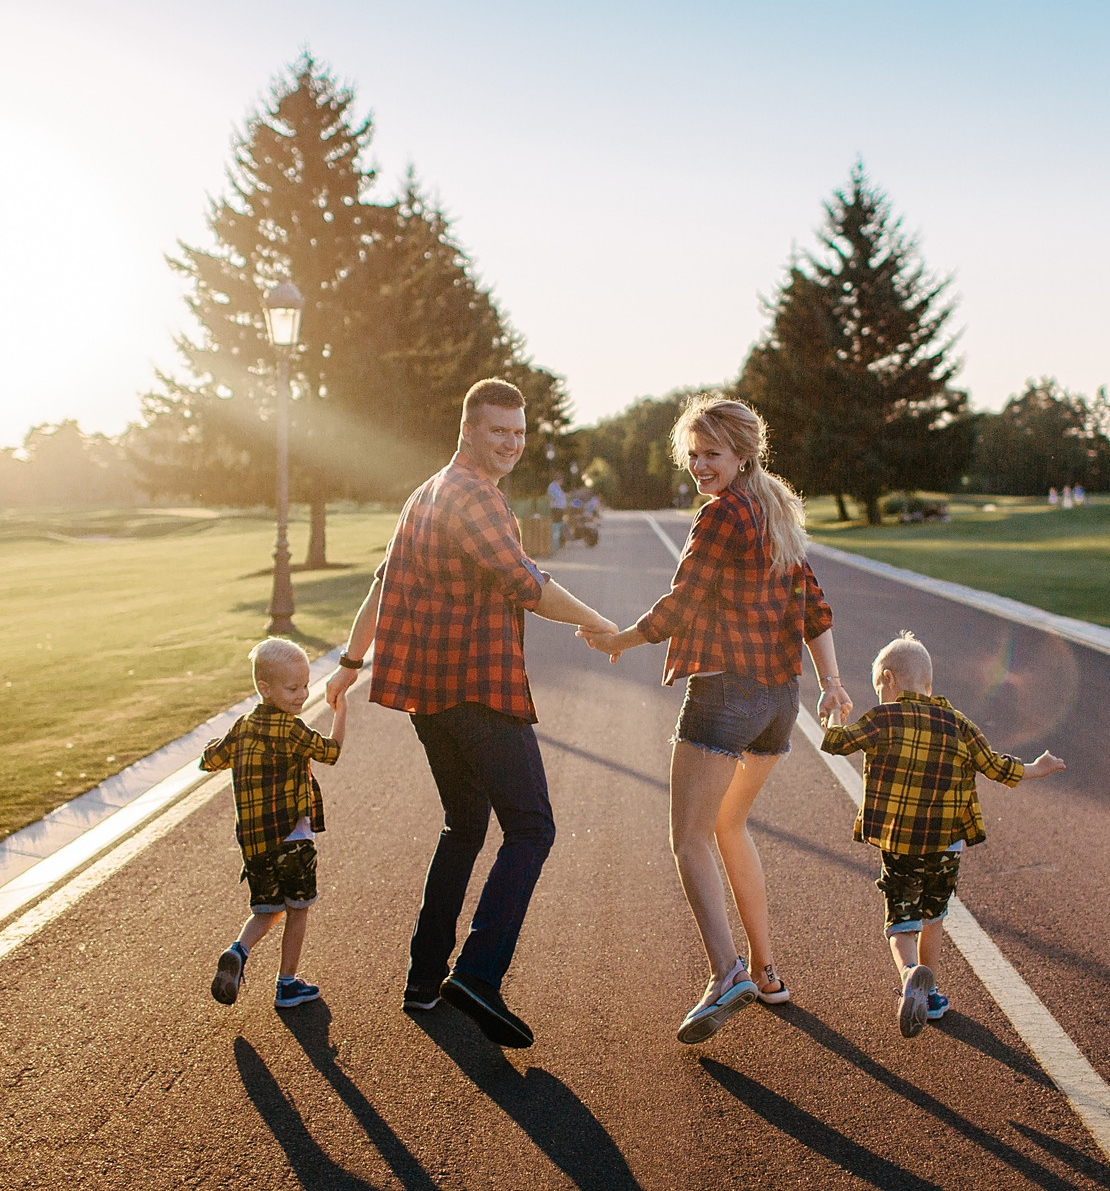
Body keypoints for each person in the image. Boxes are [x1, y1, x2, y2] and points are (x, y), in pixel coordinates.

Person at [324, 378, 617, 1049]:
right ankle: (478, 974)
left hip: (430, 697)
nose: (511, 444)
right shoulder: (472, 496)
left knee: (464, 824)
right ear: (468, 430)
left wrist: (348, 662)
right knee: (532, 827)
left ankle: (424, 978)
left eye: (518, 433)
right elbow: (529, 585)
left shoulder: (425, 493)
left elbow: (381, 584)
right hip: (477, 690)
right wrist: (601, 623)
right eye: (498, 432)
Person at [586, 395, 851, 1044]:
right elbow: (814, 608)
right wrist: (833, 680)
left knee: (689, 838)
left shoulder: (723, 514)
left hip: (726, 693)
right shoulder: (774, 510)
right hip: (778, 700)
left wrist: (625, 637)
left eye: (713, 453)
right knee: (728, 824)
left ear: (741, 454)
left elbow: (684, 599)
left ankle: (726, 970)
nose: (701, 465)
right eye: (694, 454)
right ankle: (764, 970)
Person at [820, 632, 1064, 1038]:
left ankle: (910, 973)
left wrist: (834, 714)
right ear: (929, 685)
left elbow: (835, 742)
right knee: (934, 917)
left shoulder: (883, 719)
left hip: (901, 844)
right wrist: (1038, 767)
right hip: (947, 846)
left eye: (880, 687)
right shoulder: (959, 724)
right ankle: (929, 994)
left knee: (902, 921)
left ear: (888, 678)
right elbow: (998, 767)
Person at [203, 637, 346, 1010]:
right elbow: (330, 752)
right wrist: (341, 710)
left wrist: (230, 742)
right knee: (298, 908)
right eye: (293, 687)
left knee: (266, 908)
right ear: (265, 688)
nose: (302, 694)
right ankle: (287, 984)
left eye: (305, 685)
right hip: (293, 840)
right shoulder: (292, 729)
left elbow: (209, 761)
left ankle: (238, 950)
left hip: (255, 846)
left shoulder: (242, 726)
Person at [546, 474, 568, 551]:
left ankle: (558, 543)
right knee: (556, 525)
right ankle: (555, 543)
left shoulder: (557, 487)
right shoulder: (552, 487)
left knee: (559, 525)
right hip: (556, 509)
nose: (562, 482)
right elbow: (557, 497)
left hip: (559, 509)